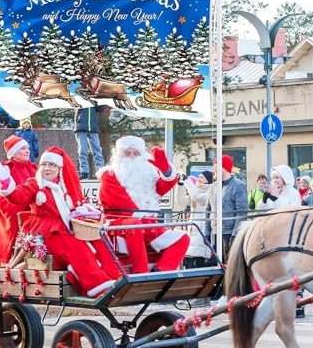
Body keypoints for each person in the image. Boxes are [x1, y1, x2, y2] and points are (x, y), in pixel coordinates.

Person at [0, 146, 118, 297]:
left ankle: (114, 278)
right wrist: (6, 182)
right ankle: (98, 286)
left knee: (98, 241)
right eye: (44, 164)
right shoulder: (35, 184)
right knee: (75, 247)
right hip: (45, 233)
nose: (47, 168)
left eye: (52, 165)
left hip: (65, 228)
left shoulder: (63, 187)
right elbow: (18, 196)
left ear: (59, 168)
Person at [97, 136, 189, 274]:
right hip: (119, 223)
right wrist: (142, 218)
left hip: (147, 224)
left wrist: (166, 171)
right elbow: (119, 201)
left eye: (136, 153)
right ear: (119, 156)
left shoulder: (147, 174)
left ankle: (161, 272)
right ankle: (141, 272)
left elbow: (162, 188)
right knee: (134, 224)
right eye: (127, 153)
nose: (132, 157)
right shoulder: (109, 175)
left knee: (183, 238)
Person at [0, 135, 37, 264]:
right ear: (13, 153)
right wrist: (19, 209)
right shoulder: (4, 169)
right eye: (22, 149)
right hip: (5, 213)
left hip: (28, 213)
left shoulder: (34, 169)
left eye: (27, 148)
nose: (27, 151)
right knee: (8, 241)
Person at [257, 164, 304, 317]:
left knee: (291, 269)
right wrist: (265, 200)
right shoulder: (274, 191)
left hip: (289, 234)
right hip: (273, 233)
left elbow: (290, 211)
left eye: (277, 177)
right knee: (277, 270)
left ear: (284, 178)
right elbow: (260, 211)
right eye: (273, 178)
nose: (275, 180)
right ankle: (278, 300)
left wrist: (275, 199)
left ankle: (297, 302)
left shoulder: (293, 193)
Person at [205, 154, 248, 265]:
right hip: (215, 233)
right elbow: (208, 210)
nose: (213, 169)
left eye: (216, 166)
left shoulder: (239, 186)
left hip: (229, 234)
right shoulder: (212, 187)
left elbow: (241, 213)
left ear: (223, 168)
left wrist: (235, 235)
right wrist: (206, 232)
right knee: (215, 267)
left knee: (230, 266)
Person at [176, 171, 213, 269]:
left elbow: (197, 197)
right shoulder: (196, 191)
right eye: (199, 177)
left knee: (198, 263)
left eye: (202, 177)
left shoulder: (210, 193)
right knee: (189, 262)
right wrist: (179, 185)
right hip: (192, 230)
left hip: (202, 231)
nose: (199, 179)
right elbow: (180, 201)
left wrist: (186, 180)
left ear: (208, 180)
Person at [74, 107, 105, 179]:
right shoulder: (79, 96)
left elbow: (101, 109)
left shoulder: (94, 98)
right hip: (81, 126)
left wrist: (97, 99)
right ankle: (84, 172)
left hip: (93, 127)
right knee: (82, 150)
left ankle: (100, 171)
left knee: (97, 150)